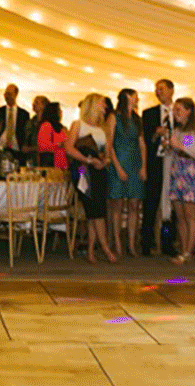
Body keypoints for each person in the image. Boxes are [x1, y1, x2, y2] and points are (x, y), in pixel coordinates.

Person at [65, 93, 117, 264]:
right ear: (93, 105)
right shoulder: (78, 125)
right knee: (96, 209)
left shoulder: (104, 128)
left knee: (95, 211)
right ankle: (105, 248)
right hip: (83, 171)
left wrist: (105, 161)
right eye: (102, 104)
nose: (105, 107)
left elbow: (108, 152)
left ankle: (90, 251)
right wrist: (88, 160)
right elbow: (69, 149)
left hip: (100, 170)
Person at [166, 98, 195, 265]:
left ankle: (188, 251)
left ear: (189, 111)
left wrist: (178, 145)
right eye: (174, 110)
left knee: (190, 215)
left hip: (191, 173)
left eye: (179, 110)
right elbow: (180, 148)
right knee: (180, 216)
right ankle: (183, 249)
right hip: (179, 173)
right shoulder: (180, 130)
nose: (176, 113)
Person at [106, 88, 146, 257]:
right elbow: (109, 144)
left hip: (135, 162)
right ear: (126, 98)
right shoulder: (114, 117)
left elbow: (142, 142)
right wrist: (117, 167)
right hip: (119, 161)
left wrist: (144, 166)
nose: (137, 99)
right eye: (134, 96)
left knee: (134, 204)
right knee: (117, 204)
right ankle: (117, 242)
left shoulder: (138, 119)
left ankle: (131, 243)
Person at [142, 79, 177, 257]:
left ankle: (168, 241)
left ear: (171, 90)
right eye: (156, 90)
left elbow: (192, 138)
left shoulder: (181, 111)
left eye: (161, 89)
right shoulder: (149, 114)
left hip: (176, 163)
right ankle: (146, 242)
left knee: (170, 205)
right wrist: (156, 133)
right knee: (151, 203)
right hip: (156, 163)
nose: (158, 92)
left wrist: (181, 144)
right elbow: (145, 142)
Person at [0, 84, 29, 160]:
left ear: (16, 95)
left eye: (10, 94)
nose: (7, 96)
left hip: (17, 150)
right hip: (0, 149)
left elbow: (25, 133)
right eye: (6, 94)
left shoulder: (24, 114)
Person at [37, 102, 67, 169]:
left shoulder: (61, 128)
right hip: (51, 163)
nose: (61, 112)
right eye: (59, 110)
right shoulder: (46, 125)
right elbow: (43, 146)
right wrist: (58, 145)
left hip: (61, 163)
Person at [22, 95, 49, 162]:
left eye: (36, 102)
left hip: (45, 159)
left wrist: (31, 149)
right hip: (31, 159)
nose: (33, 104)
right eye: (33, 102)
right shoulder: (29, 123)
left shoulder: (49, 124)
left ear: (43, 106)